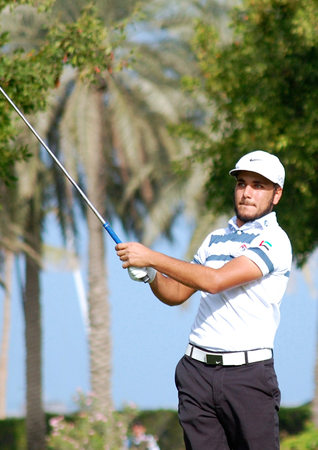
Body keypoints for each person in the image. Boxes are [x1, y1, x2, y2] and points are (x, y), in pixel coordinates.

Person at [115, 150, 292, 450]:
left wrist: (151, 257)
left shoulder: (275, 240)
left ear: (276, 194)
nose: (247, 193)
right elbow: (176, 293)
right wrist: (150, 275)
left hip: (248, 376)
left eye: (258, 186)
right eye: (242, 183)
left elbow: (215, 281)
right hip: (196, 373)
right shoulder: (214, 239)